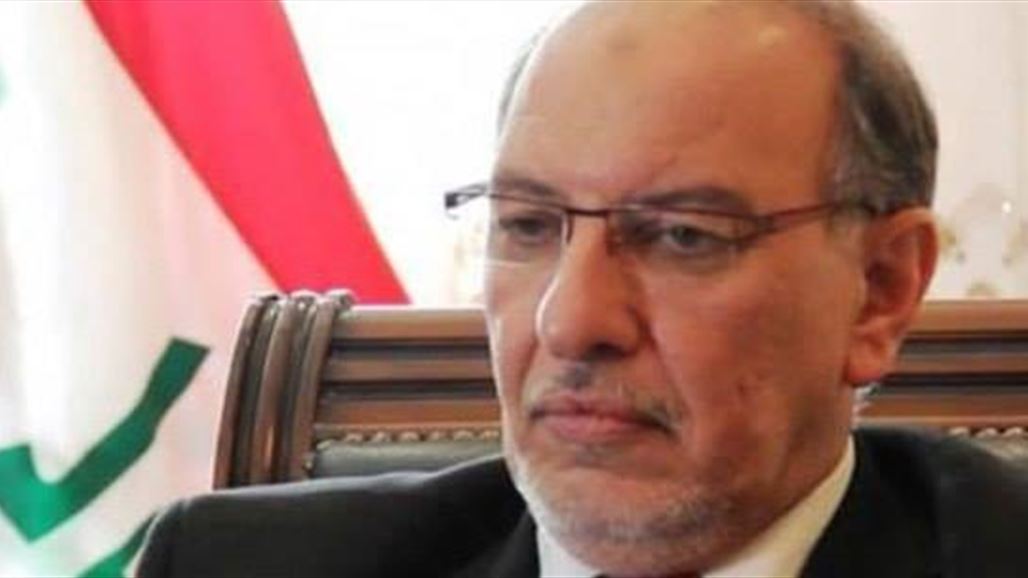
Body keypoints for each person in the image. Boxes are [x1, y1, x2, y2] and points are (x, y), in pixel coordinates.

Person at [137, 1, 1028, 577]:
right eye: (528, 226)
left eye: (683, 236)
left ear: (878, 291)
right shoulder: (234, 565)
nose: (571, 321)